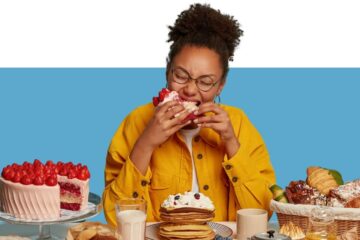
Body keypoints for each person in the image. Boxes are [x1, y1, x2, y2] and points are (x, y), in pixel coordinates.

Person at [102, 3, 276, 227]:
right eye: (181, 76)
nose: (191, 90)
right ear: (167, 70)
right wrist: (145, 144)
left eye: (205, 82)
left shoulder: (239, 124)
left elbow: (263, 213)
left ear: (220, 86)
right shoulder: (136, 122)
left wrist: (231, 143)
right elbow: (115, 219)